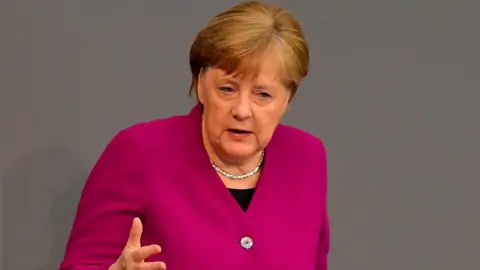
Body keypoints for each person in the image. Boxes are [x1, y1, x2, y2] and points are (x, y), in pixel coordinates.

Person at [59, 1, 330, 269]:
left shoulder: (307, 159)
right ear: (200, 85)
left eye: (263, 94)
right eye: (227, 89)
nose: (242, 110)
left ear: (287, 99)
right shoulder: (140, 152)